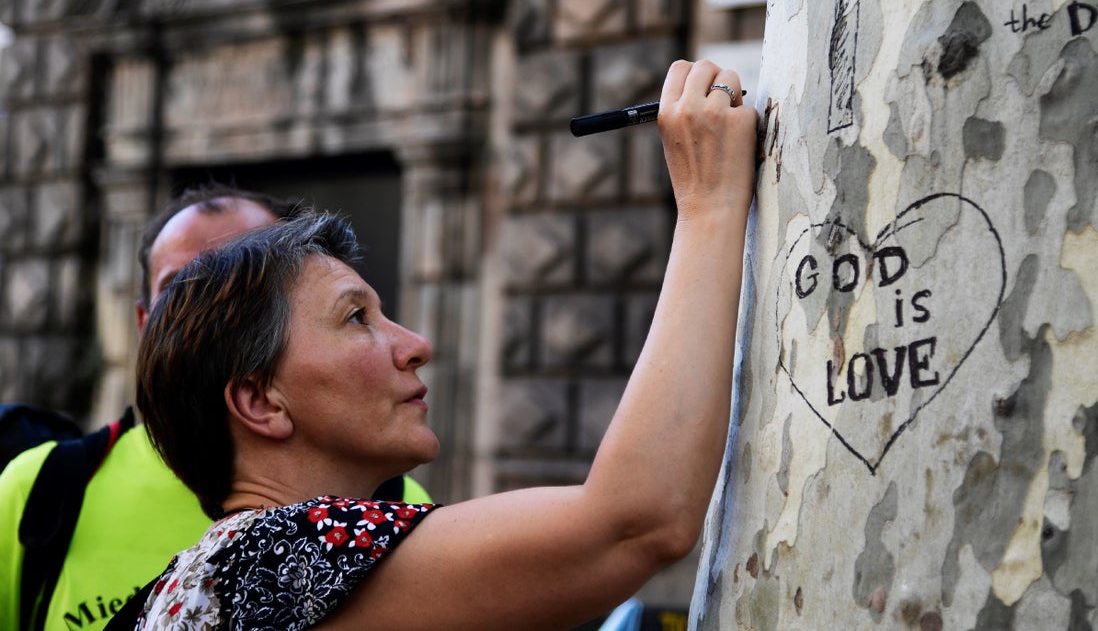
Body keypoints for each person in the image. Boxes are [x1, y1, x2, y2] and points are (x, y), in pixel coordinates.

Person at [123, 59, 758, 630]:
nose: (416, 344)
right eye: (355, 319)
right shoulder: (281, 555)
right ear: (260, 401)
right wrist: (710, 201)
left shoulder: (198, 581)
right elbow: (634, 523)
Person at [0, 184, 431, 631]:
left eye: (254, 269)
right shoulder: (45, 487)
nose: (219, 310)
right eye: (184, 292)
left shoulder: (397, 498)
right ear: (148, 325)